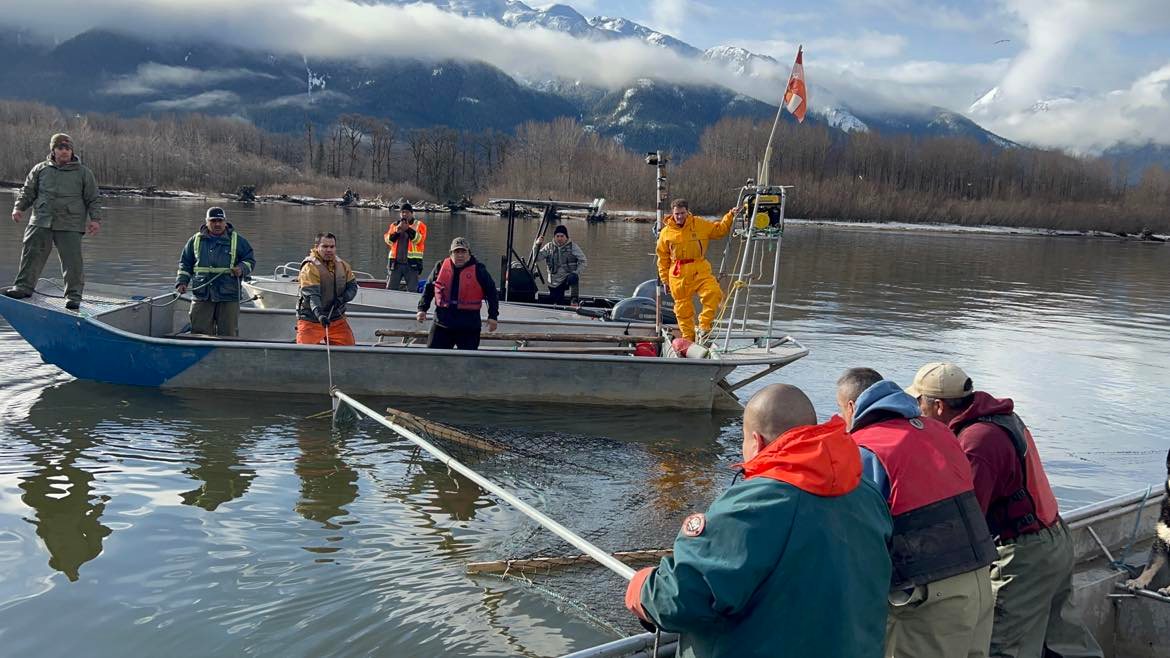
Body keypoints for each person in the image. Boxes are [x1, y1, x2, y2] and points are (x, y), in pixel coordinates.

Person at [625, 383, 893, 658]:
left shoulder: (754, 506)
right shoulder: (867, 493)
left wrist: (641, 587)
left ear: (757, 441)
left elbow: (681, 597)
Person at [908, 362, 1103, 658]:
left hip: (1024, 554)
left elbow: (968, 517)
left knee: (1002, 643)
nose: (915, 409)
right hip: (1054, 537)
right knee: (1063, 640)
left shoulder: (976, 443)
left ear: (937, 406)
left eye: (918, 401)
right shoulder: (1001, 417)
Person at [837, 367, 997, 658]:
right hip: (979, 581)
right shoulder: (940, 431)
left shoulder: (866, 449)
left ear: (850, 407)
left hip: (929, 598)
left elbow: (858, 540)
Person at [5, 133, 102, 310]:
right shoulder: (40, 169)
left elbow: (93, 198)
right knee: (31, 252)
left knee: (72, 261)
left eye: (67, 148)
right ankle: (23, 287)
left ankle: (73, 296)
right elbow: (28, 191)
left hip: (70, 222)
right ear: (53, 150)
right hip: (41, 220)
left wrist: (95, 219)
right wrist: (18, 208)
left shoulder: (83, 173)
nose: (64, 151)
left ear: (72, 151)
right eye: (60, 148)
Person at [655, 198, 735, 343]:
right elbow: (662, 259)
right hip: (678, 274)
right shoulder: (666, 232)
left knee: (714, 293)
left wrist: (730, 216)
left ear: (687, 211)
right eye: (676, 214)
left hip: (700, 268)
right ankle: (688, 339)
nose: (679, 216)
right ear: (672, 213)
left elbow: (720, 230)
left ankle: (704, 327)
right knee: (682, 309)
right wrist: (665, 280)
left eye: (682, 213)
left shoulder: (699, 224)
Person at [175, 207, 256, 336]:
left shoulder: (238, 240)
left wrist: (242, 268)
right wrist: (181, 282)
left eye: (220, 220)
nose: (217, 224)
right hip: (202, 295)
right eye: (213, 221)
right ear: (207, 222)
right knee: (199, 332)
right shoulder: (195, 240)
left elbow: (250, 260)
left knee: (228, 333)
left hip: (228, 295)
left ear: (225, 222)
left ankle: (227, 356)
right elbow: (185, 263)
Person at [416, 237, 499, 350]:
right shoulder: (440, 266)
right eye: (456, 252)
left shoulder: (479, 270)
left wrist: (493, 316)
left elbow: (492, 293)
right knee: (433, 358)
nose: (460, 255)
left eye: (463, 252)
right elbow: (429, 288)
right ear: (451, 254)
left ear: (469, 254)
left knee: (467, 362)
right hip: (442, 323)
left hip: (468, 326)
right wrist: (422, 309)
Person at [296, 232, 358, 346]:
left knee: (348, 348)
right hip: (312, 320)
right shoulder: (309, 268)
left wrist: (343, 298)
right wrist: (320, 315)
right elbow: (312, 296)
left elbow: (352, 287)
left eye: (332, 247)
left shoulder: (343, 265)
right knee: (304, 354)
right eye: (324, 246)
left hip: (337, 318)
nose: (329, 250)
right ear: (317, 247)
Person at [534, 224, 587, 305]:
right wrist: (537, 245)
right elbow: (537, 258)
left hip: (566, 279)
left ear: (566, 236)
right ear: (554, 237)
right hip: (553, 282)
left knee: (574, 277)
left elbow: (583, 261)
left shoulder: (573, 247)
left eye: (562, 236)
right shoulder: (549, 246)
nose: (559, 238)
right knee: (556, 301)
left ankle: (574, 300)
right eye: (557, 236)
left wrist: (576, 272)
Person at [384, 202, 427, 292]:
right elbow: (388, 240)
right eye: (402, 212)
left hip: (412, 264)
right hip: (395, 264)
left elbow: (419, 240)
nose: (404, 214)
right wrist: (397, 233)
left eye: (407, 212)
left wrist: (407, 229)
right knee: (390, 289)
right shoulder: (394, 225)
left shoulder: (420, 225)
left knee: (412, 290)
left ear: (411, 213)